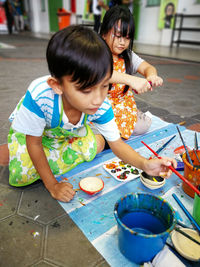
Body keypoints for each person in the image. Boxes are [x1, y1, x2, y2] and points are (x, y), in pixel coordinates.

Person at [0, 25, 176, 202]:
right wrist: (52, 185)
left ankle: (58, 152)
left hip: (62, 136)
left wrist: (145, 164)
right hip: (34, 136)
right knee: (21, 173)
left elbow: (117, 144)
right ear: (57, 85)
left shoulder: (100, 104)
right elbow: (35, 144)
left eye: (105, 85)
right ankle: (16, 150)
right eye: (86, 90)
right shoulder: (40, 97)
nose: (98, 99)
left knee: (95, 146)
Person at [100, 6, 163, 139]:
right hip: (99, 108)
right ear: (104, 33)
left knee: (144, 125)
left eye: (127, 37)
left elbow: (148, 68)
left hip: (122, 107)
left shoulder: (128, 55)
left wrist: (151, 75)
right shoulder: (95, 53)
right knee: (100, 132)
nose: (122, 42)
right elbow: (102, 73)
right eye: (117, 36)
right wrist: (131, 80)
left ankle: (133, 115)